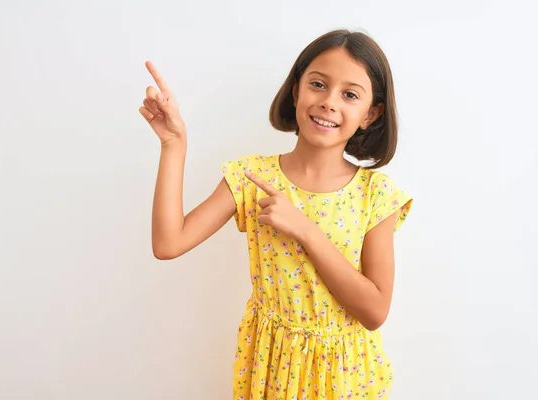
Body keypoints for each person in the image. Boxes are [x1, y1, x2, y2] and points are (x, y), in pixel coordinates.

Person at [140, 29, 413, 399]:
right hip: (270, 368)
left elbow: (375, 311)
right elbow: (168, 243)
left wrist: (306, 230)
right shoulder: (251, 177)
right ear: (297, 89)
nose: (330, 102)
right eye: (318, 84)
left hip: (345, 378)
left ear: (371, 113)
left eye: (350, 94)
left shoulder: (375, 195)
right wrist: (174, 144)